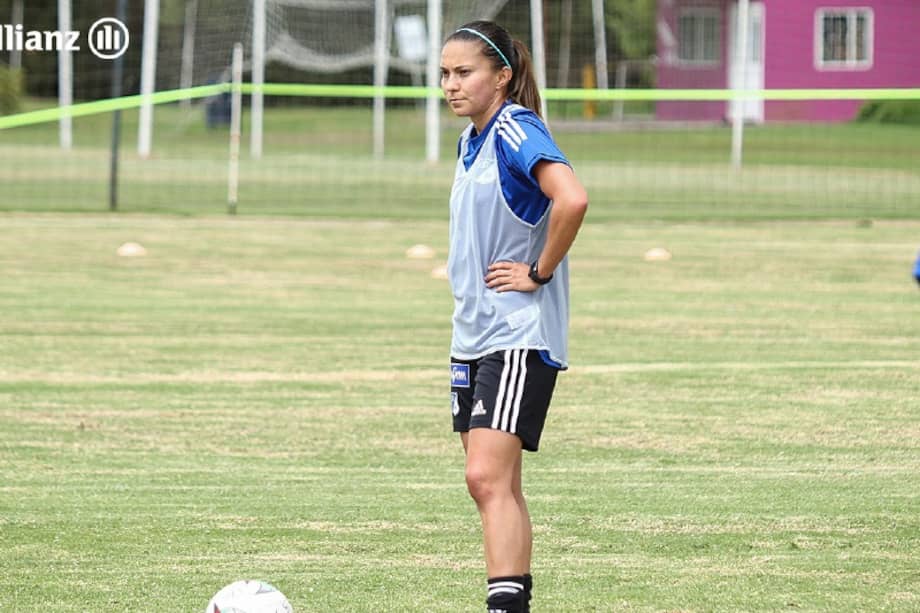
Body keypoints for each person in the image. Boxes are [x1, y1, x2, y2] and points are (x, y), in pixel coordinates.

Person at [442, 20, 588, 613]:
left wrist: (540, 271)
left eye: (464, 72)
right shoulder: (471, 139)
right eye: (445, 74)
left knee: (484, 477)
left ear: (502, 76)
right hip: (473, 334)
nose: (451, 85)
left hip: (516, 333)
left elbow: (572, 197)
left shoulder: (514, 129)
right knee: (495, 486)